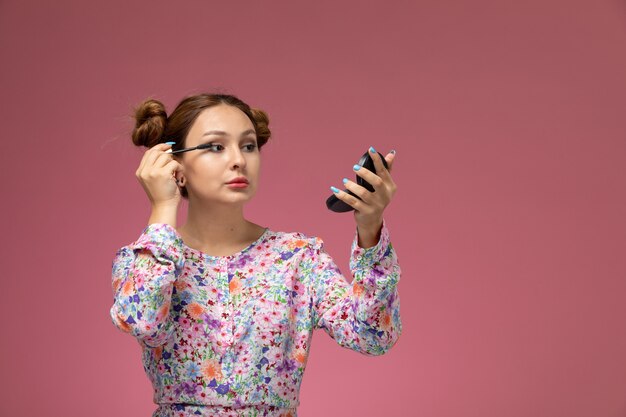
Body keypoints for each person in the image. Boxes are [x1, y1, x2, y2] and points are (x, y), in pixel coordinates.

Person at [109, 93, 402, 417]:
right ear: (175, 166)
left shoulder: (297, 258)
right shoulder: (148, 261)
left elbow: (373, 336)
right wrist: (163, 208)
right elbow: (142, 322)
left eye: (248, 146)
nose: (239, 159)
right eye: (215, 147)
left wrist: (370, 227)